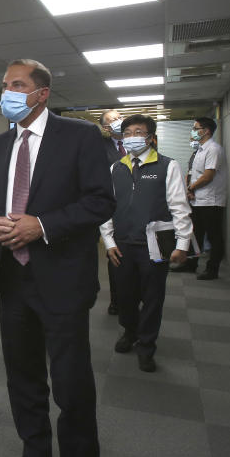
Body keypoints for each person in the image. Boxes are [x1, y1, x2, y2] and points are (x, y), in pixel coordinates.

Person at [0, 59, 115, 457]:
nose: (8, 92)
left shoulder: (80, 138)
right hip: (13, 280)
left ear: (42, 93)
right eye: (4, 84)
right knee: (23, 379)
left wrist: (43, 224)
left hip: (62, 282)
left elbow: (101, 201)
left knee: (72, 389)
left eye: (17, 85)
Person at [99, 115, 192, 372]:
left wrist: (183, 243)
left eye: (138, 132)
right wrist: (107, 240)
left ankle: (147, 345)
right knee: (125, 296)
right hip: (122, 244)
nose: (131, 137)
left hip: (155, 243)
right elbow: (108, 208)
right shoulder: (116, 168)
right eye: (127, 132)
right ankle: (130, 332)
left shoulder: (167, 166)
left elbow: (179, 207)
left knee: (152, 298)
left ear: (150, 137)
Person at [187, 117, 228, 280]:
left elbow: (208, 176)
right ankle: (191, 264)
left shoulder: (214, 149)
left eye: (196, 128)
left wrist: (191, 187)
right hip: (198, 199)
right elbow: (194, 174)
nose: (193, 131)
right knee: (195, 234)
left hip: (212, 201)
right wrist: (190, 190)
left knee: (214, 236)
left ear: (206, 131)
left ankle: (213, 270)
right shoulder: (200, 149)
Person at [99, 109, 124, 314]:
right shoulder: (101, 147)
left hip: (137, 208)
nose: (119, 121)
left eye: (119, 117)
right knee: (115, 254)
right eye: (113, 120)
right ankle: (117, 300)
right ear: (106, 128)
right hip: (112, 207)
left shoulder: (140, 142)